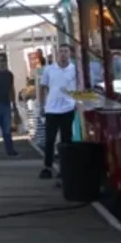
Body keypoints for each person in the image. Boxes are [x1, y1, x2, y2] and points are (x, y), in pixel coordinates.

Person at [38, 43, 79, 179]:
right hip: (51, 109)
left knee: (66, 139)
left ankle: (65, 168)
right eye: (60, 51)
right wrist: (42, 105)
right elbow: (42, 87)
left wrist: (78, 102)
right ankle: (47, 167)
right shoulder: (49, 69)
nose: (63, 54)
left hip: (68, 107)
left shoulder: (75, 69)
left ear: (70, 54)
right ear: (57, 54)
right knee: (50, 139)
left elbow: (79, 86)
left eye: (65, 51)